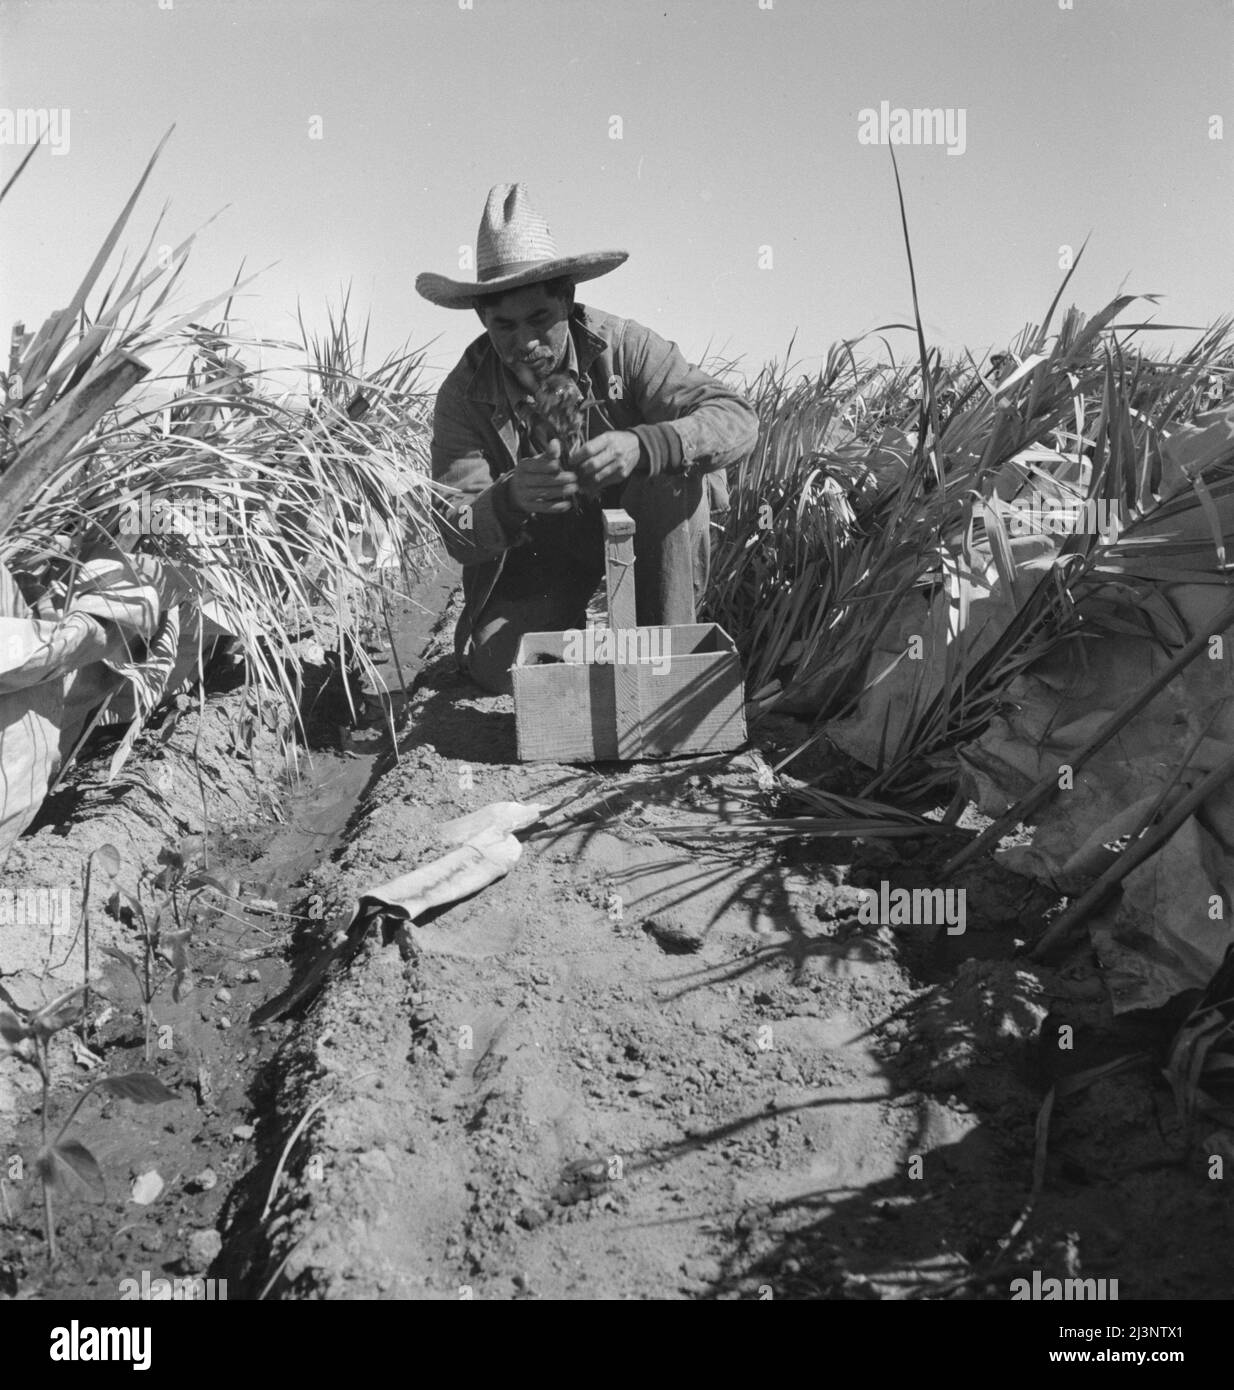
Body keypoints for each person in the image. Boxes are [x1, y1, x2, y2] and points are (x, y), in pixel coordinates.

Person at [416, 184, 758, 694]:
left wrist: (646, 447)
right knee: (500, 666)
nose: (524, 343)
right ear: (482, 319)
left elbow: (735, 418)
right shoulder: (463, 395)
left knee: (669, 475)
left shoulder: (627, 348)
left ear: (568, 299)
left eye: (539, 319)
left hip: (644, 533)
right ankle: (585, 641)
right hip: (543, 547)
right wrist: (508, 499)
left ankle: (662, 648)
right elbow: (457, 528)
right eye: (503, 327)